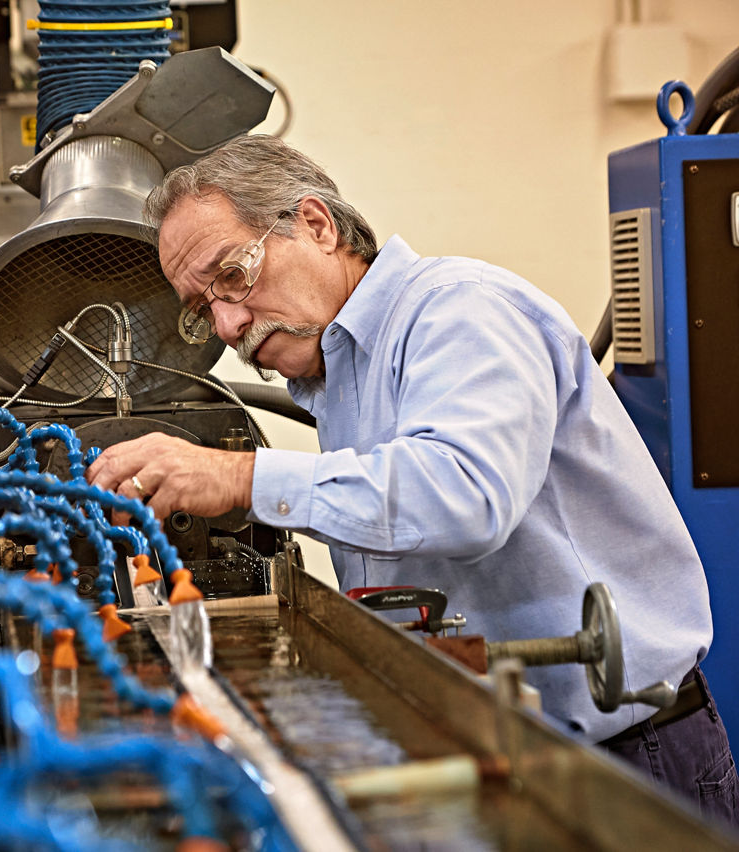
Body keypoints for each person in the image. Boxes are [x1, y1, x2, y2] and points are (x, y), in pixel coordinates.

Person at [84, 134, 737, 823]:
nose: (229, 324)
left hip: (630, 757)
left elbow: (466, 496)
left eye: (234, 275)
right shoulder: (335, 373)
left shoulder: (459, 311)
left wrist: (244, 478)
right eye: (202, 309)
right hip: (495, 752)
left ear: (316, 224)